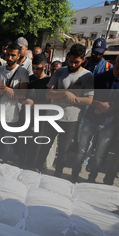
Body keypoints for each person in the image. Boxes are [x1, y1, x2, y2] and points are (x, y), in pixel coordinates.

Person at [71, 51, 119, 183]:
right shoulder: (100, 77)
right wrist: (99, 105)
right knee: (81, 150)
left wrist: (110, 106)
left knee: (100, 154)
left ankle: (92, 178)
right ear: (114, 63)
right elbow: (87, 97)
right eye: (118, 68)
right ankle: (74, 175)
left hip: (109, 122)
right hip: (91, 118)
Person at [46, 43, 94, 177]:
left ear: (83, 60)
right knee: (45, 145)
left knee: (64, 150)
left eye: (76, 62)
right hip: (53, 116)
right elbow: (48, 93)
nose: (72, 64)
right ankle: (38, 168)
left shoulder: (88, 76)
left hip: (71, 119)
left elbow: (89, 100)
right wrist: (63, 94)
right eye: (71, 61)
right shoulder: (60, 72)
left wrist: (70, 98)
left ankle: (58, 173)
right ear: (68, 57)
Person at [0, 42, 30, 162]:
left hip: (12, 115)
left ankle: (4, 166)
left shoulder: (22, 72)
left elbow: (22, 93)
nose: (9, 58)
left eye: (13, 55)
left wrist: (1, 90)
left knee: (8, 143)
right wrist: (5, 89)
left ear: (18, 56)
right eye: (8, 55)